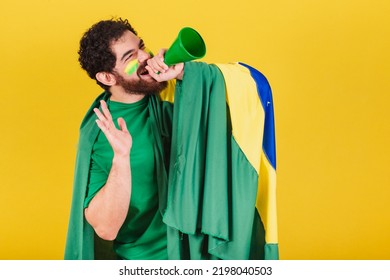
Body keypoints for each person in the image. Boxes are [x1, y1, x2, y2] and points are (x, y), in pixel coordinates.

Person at [65, 17, 279, 260]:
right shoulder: (102, 132)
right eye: (129, 57)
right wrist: (121, 159)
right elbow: (105, 228)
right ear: (107, 78)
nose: (145, 57)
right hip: (146, 261)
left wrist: (185, 73)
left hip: (199, 253)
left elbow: (245, 89)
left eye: (141, 47)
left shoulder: (174, 93)